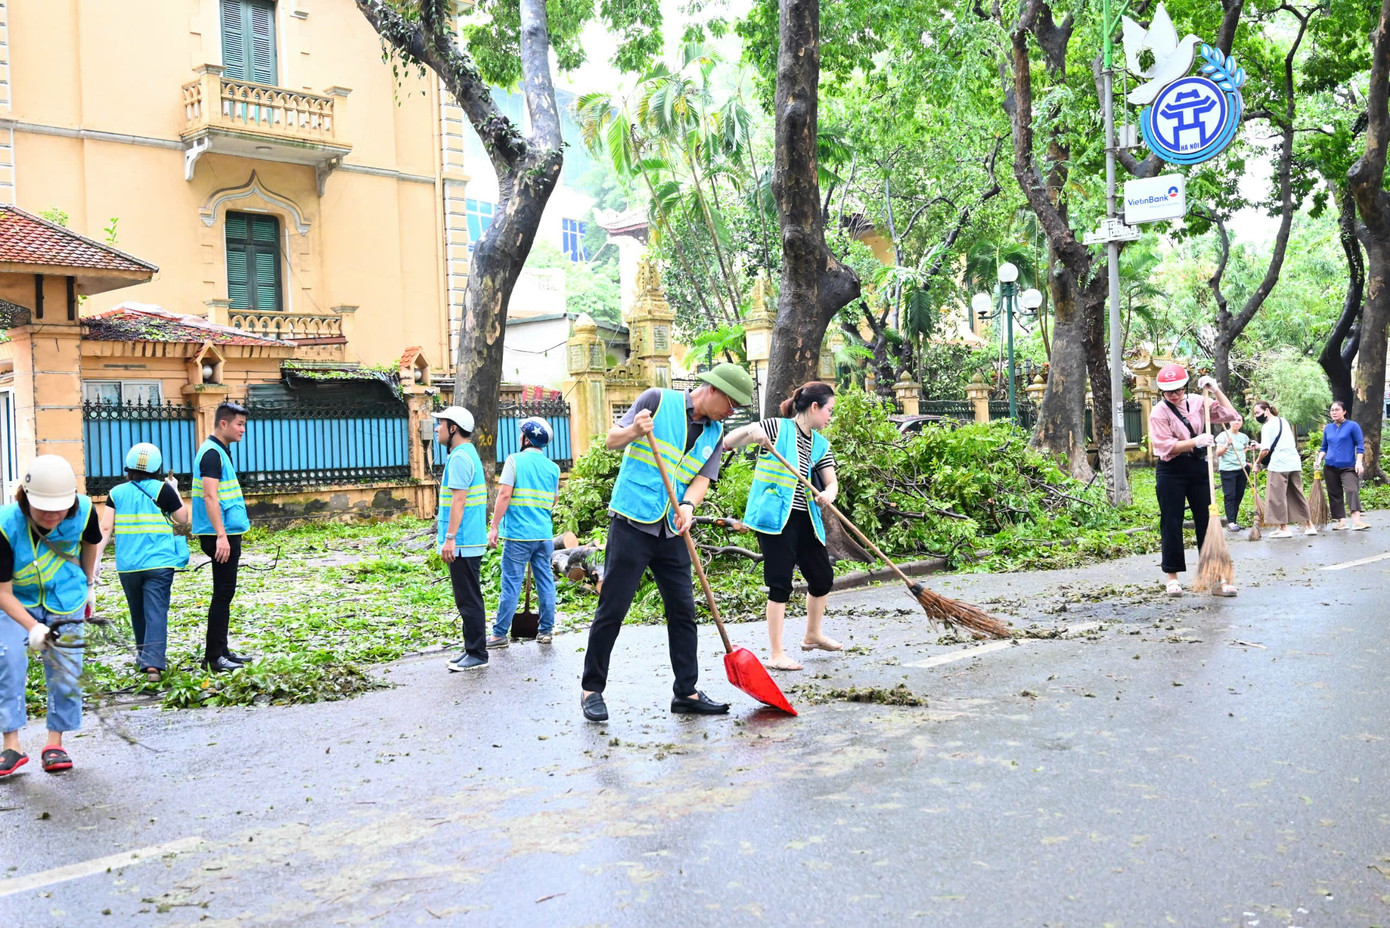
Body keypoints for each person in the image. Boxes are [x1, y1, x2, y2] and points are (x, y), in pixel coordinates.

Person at [579, 362, 754, 723]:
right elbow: (612, 440)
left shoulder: (715, 432)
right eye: (731, 403)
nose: (732, 412)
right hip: (633, 521)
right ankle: (591, 689)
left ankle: (686, 692)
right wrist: (635, 431)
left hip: (673, 530)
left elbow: (703, 479)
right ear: (713, 390)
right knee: (613, 607)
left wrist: (689, 505)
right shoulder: (657, 400)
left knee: (684, 610)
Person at [723, 381, 840, 672]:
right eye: (829, 411)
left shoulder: (819, 443)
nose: (830, 417)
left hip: (806, 518)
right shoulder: (777, 428)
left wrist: (829, 494)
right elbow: (729, 440)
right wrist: (752, 430)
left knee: (822, 577)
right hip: (775, 517)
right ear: (814, 407)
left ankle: (812, 635)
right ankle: (776, 653)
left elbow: (831, 480)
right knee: (780, 582)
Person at [0, 455, 103, 776]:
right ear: (26, 499)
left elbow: (90, 544)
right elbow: (1, 592)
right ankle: (11, 745)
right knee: (8, 659)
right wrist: (33, 628)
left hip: (66, 596)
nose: (52, 515)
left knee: (67, 668)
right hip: (17, 599)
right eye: (43, 508)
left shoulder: (84, 510)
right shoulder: (5, 525)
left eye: (59, 507)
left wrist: (88, 584)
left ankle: (54, 743)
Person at [99, 443, 190, 684]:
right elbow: (183, 519)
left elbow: (106, 528)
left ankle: (144, 658)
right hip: (159, 563)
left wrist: (96, 562)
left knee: (137, 612)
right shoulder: (163, 490)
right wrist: (175, 490)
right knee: (156, 612)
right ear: (158, 467)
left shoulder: (116, 493)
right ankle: (153, 665)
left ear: (128, 467)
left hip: (128, 565)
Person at [1147, 364, 1239, 597]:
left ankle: (1217, 577)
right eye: (1169, 392)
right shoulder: (1159, 412)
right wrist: (1195, 441)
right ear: (1162, 392)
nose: (1174, 394)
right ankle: (1172, 578)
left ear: (1185, 386)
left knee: (1208, 520)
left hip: (1198, 467)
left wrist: (1216, 390)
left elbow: (1230, 415)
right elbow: (1164, 446)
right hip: (1171, 469)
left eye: (1178, 389)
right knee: (1171, 520)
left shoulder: (1199, 401)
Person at [487, 417, 561, 647]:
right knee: (546, 582)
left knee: (510, 583)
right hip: (544, 535)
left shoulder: (514, 461)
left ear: (526, 439)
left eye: (521, 434)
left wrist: (494, 526)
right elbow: (554, 499)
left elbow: (504, 495)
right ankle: (546, 631)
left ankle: (499, 635)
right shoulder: (554, 468)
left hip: (518, 536)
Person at [192, 402, 251, 673]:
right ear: (223, 424)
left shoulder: (220, 451)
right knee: (222, 593)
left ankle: (222, 649)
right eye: (239, 424)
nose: (242, 429)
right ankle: (214, 657)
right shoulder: (212, 454)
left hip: (225, 532)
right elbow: (209, 496)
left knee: (225, 593)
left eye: (244, 424)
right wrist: (221, 536)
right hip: (219, 534)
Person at [433, 406, 489, 672]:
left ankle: (477, 653)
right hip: (467, 539)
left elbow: (459, 500)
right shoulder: (466, 454)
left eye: (440, 424)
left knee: (468, 599)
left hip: (463, 541)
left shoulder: (459, 457)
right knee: (467, 597)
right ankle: (471, 649)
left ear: (453, 428)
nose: (436, 428)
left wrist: (450, 539)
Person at [1251, 400, 1316, 539]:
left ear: (1267, 410)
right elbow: (1279, 442)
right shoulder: (1283, 421)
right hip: (1294, 463)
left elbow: (1266, 450)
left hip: (1279, 464)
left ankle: (1284, 528)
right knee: (1298, 494)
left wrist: (1257, 462)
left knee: (1277, 496)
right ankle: (1310, 526)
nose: (1256, 416)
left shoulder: (1267, 426)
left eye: (1258, 412)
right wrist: (1260, 446)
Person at [1315, 400, 1370, 531]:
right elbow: (1324, 448)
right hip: (1330, 466)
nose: (1334, 412)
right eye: (1332, 410)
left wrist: (1358, 462)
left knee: (1352, 490)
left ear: (1344, 411)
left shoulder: (1352, 426)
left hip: (1348, 466)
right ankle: (1341, 521)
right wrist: (1318, 460)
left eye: (1337, 409)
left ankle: (1357, 521)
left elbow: (1360, 446)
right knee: (1334, 493)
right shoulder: (1328, 428)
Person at [1214, 414, 1251, 532]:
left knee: (1238, 496)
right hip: (1228, 470)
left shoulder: (1244, 437)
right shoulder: (1223, 436)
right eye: (1234, 420)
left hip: (1242, 469)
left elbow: (1244, 448)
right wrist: (1227, 445)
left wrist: (1244, 458)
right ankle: (1230, 522)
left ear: (1242, 423)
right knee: (1230, 496)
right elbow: (1218, 453)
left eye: (1239, 420)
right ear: (1229, 422)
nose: (1237, 422)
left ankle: (1234, 521)